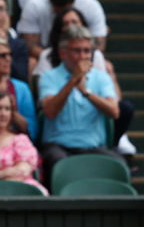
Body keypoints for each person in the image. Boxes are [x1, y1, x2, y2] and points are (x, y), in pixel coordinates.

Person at [37, 23, 123, 181]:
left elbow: (114, 111)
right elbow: (49, 111)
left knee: (118, 165)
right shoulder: (49, 77)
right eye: (77, 51)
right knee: (58, 163)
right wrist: (72, 82)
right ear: (62, 52)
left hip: (94, 147)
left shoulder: (101, 77)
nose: (83, 56)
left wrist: (86, 92)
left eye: (87, 51)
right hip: (58, 147)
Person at [18, 0, 108, 59]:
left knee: (107, 66)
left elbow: (99, 46)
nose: (62, 14)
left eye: (65, 8)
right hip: (47, 57)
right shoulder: (34, 6)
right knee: (32, 63)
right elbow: (30, 46)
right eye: (58, 9)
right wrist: (59, 60)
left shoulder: (92, 7)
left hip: (82, 56)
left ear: (74, 0)